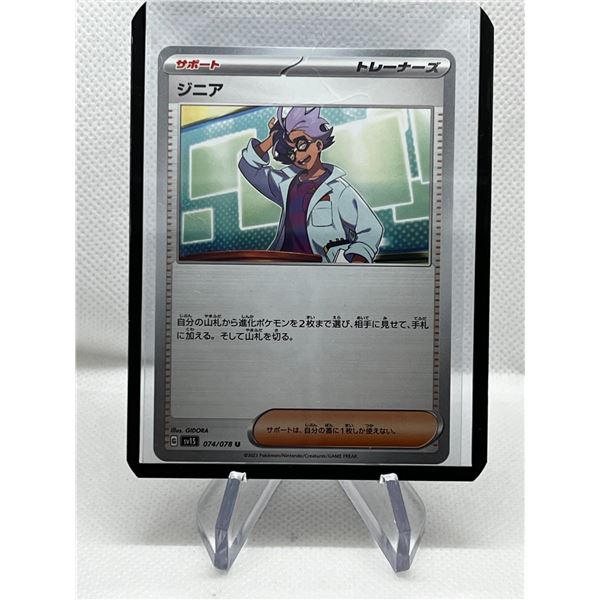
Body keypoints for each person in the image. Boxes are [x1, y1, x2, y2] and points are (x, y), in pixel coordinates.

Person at [238, 107, 383, 263]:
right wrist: (271, 139)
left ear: (319, 145)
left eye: (301, 145)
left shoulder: (338, 190)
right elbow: (249, 167)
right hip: (284, 266)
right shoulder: (285, 184)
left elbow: (371, 229)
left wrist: (355, 264)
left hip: (321, 270)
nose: (298, 155)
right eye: (291, 151)